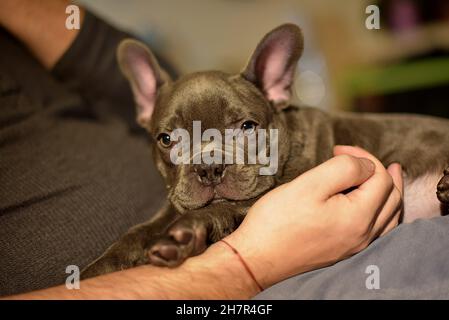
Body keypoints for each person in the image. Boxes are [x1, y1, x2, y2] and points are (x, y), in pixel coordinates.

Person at [0, 0, 432, 299]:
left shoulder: (299, 138)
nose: (208, 163)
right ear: (145, 109)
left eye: (244, 129)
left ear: (276, 91)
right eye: (172, 141)